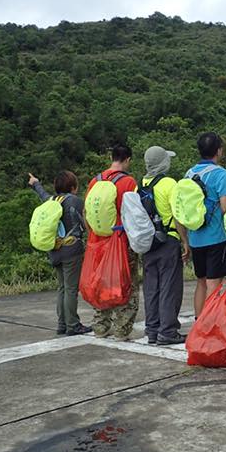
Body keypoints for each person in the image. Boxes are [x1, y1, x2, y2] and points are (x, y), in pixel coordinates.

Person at [84, 144, 139, 339]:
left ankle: (100, 326)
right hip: (121, 242)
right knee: (126, 284)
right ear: (128, 160)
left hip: (97, 242)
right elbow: (134, 215)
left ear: (111, 157)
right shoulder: (128, 182)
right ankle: (121, 330)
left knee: (101, 283)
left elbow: (86, 213)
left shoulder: (94, 181)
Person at [28, 170, 92, 336]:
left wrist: (35, 183)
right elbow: (86, 224)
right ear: (73, 187)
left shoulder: (51, 200)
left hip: (54, 250)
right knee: (71, 289)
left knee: (62, 288)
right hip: (72, 251)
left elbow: (42, 194)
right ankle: (73, 325)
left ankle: (62, 324)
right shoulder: (75, 202)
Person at [141, 145, 190, 345]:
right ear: (163, 162)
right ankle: (168, 331)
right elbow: (177, 215)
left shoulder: (140, 184)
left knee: (152, 287)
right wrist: (185, 241)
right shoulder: (170, 184)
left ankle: (152, 329)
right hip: (168, 241)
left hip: (148, 243)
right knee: (170, 286)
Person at [186, 132, 226, 317]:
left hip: (195, 237)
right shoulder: (221, 174)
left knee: (201, 281)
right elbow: (225, 207)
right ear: (219, 151)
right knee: (214, 284)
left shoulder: (189, 173)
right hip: (215, 237)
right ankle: (210, 328)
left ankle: (200, 322)